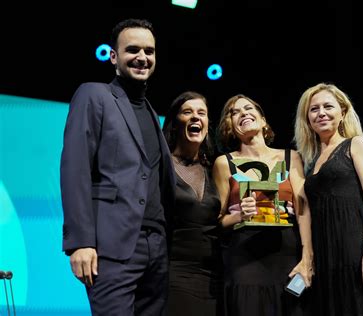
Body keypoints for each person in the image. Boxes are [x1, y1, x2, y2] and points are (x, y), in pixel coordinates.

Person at [60, 18, 175, 315]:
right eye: (132, 50)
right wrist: (80, 242)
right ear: (114, 56)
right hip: (114, 247)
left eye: (149, 51)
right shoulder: (94, 95)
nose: (142, 57)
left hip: (157, 248)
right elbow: (75, 169)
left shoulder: (151, 111)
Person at [293, 82, 363, 315]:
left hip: (354, 248)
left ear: (342, 112)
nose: (321, 113)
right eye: (314, 109)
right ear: (307, 118)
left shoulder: (356, 144)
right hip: (325, 254)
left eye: (328, 106)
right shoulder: (311, 162)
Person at [212, 94, 314, 316]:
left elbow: (303, 210)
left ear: (263, 120)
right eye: (234, 112)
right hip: (245, 258)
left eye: (248, 108)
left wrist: (307, 258)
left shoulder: (291, 157)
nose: (243, 113)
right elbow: (216, 223)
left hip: (288, 253)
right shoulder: (224, 164)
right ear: (230, 126)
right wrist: (239, 216)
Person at [162, 91, 223, 315]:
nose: (196, 117)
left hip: (214, 277)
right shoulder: (161, 166)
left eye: (202, 113)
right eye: (187, 112)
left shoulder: (214, 169)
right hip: (174, 272)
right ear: (175, 123)